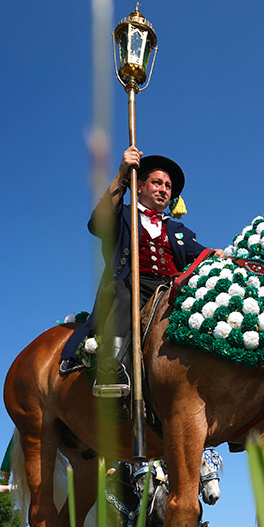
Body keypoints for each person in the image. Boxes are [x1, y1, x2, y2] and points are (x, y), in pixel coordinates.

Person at [60, 146, 214, 396]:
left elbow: (200, 254)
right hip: (131, 285)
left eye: (167, 186)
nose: (163, 189)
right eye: (157, 182)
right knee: (122, 294)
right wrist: (121, 172)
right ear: (139, 186)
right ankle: (111, 370)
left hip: (169, 291)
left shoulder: (179, 231)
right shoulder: (123, 214)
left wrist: (216, 254)